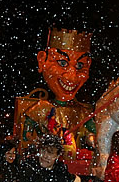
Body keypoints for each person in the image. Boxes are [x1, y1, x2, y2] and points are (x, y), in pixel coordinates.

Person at [21, 27, 96, 160]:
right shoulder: (40, 109)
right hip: (45, 159)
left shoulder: (83, 112)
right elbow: (26, 136)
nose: (72, 76)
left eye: (80, 66)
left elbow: (95, 134)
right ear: (42, 60)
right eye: (62, 63)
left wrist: (92, 139)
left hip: (72, 160)